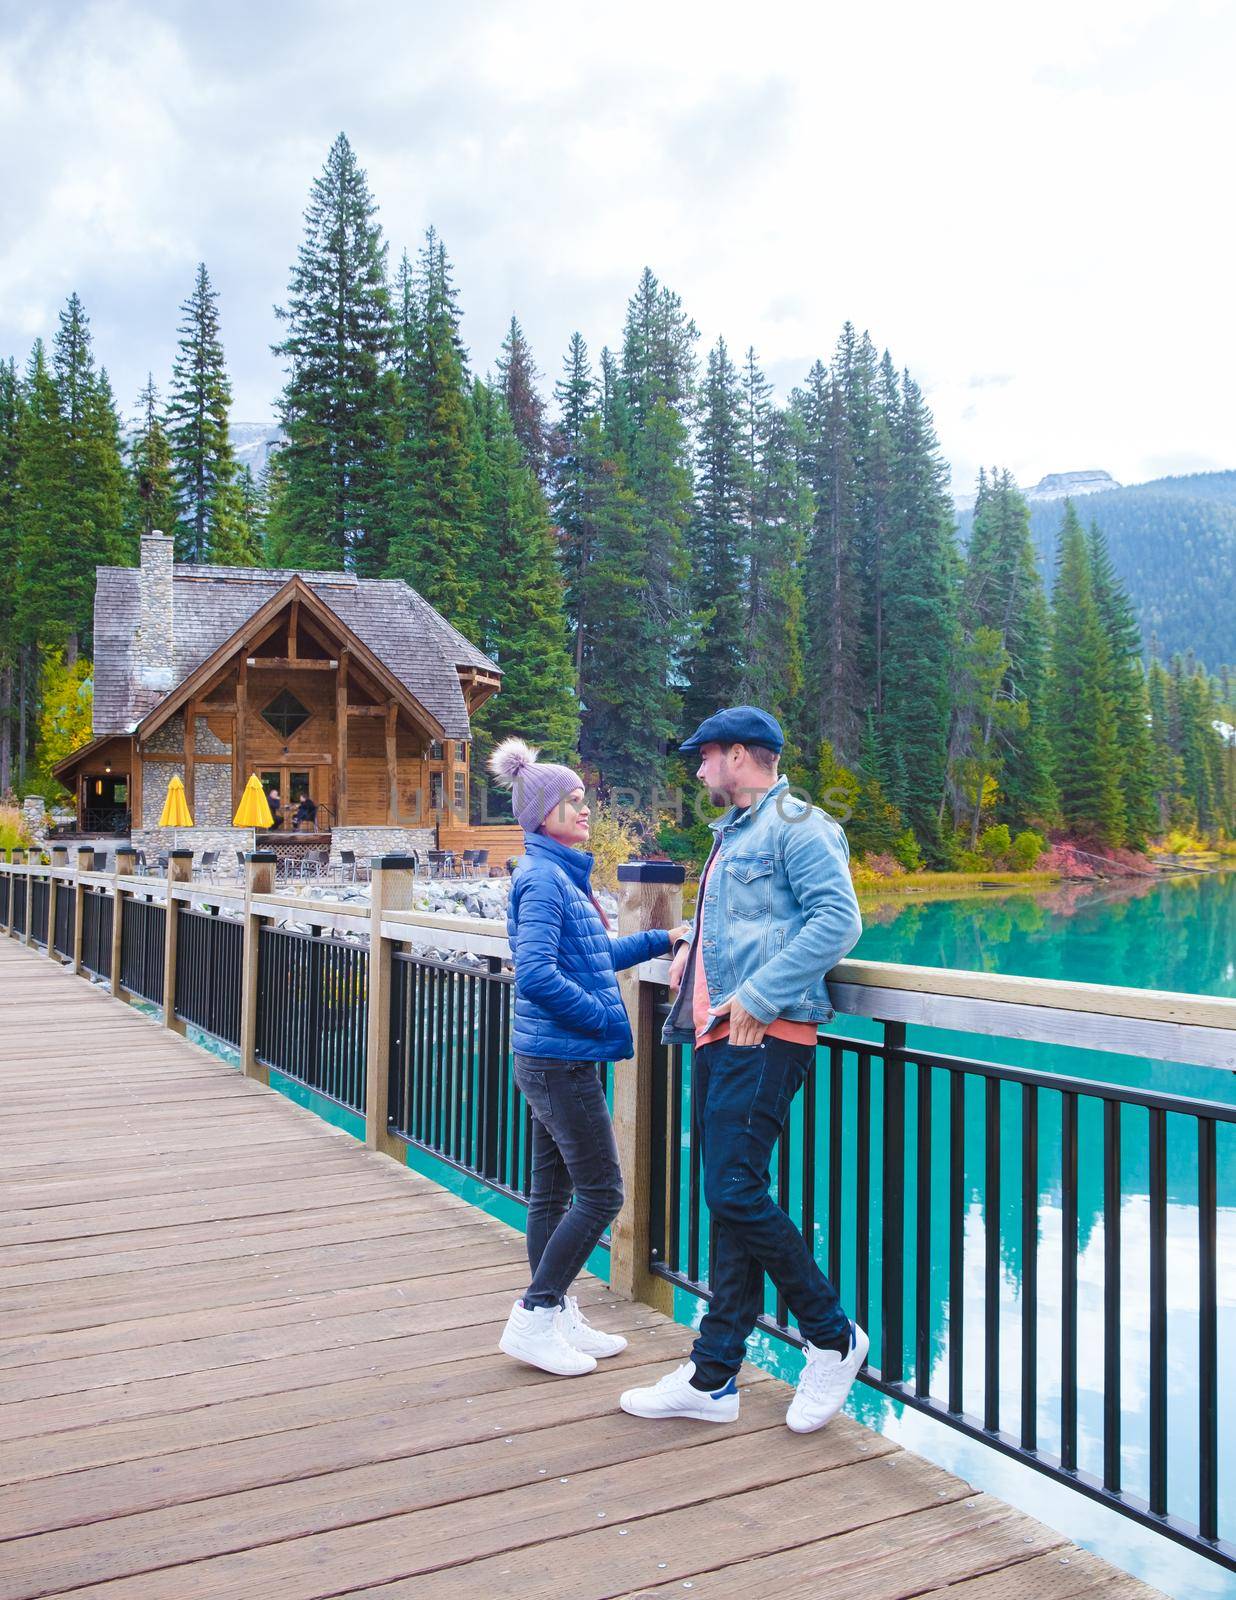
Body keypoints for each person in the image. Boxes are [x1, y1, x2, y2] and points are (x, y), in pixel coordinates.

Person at [619, 706, 866, 1433]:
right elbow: (757, 927)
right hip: (716, 1034)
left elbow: (839, 919)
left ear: (736, 756)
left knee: (731, 1187)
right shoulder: (735, 833)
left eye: (704, 758)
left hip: (765, 1032)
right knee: (731, 1196)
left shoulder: (799, 825)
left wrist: (758, 993)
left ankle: (833, 1334)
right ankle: (714, 1375)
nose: (697, 771)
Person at [489, 737, 687, 1377]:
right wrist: (605, 1016)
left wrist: (664, 938)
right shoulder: (546, 881)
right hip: (560, 1061)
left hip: (548, 1057)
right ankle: (535, 1313)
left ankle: (555, 1310)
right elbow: (538, 975)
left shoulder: (557, 875)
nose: (585, 811)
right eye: (572, 803)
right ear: (542, 815)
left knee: (553, 1191)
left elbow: (595, 953)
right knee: (602, 1194)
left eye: (584, 800)